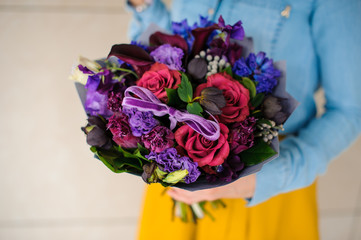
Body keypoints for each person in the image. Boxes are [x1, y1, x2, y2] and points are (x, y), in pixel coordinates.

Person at [126, 0, 361, 239]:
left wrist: (256, 182)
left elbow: (349, 110)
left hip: (264, 187)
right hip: (174, 178)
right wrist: (144, 6)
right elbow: (166, 52)